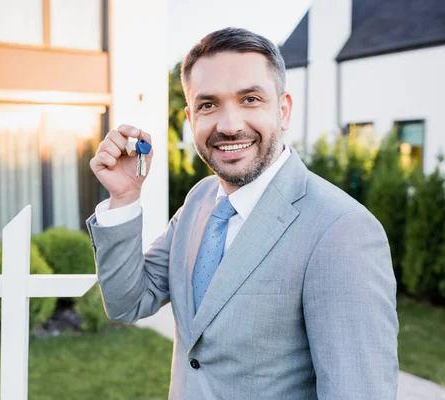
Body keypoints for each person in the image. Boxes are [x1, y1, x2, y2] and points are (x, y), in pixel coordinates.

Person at [86, 27, 398, 399]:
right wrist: (123, 198)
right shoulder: (200, 200)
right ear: (191, 118)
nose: (229, 125)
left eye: (250, 99)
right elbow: (127, 302)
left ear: (283, 111)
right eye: (208, 104)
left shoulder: (342, 230)